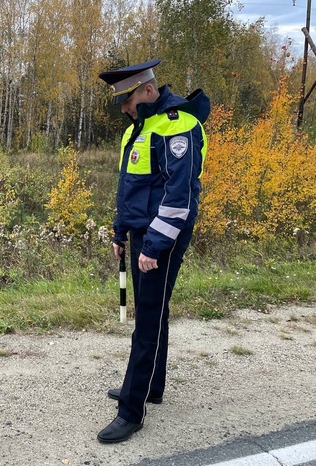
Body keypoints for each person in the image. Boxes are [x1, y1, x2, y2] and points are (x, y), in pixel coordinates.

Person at [96, 59, 210, 444]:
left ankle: (132, 410)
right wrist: (120, 232)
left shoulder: (179, 126)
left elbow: (180, 197)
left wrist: (155, 246)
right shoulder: (140, 129)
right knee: (153, 310)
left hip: (165, 235)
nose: (125, 109)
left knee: (146, 318)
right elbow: (130, 186)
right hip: (143, 234)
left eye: (127, 100)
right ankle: (152, 387)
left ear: (147, 90)